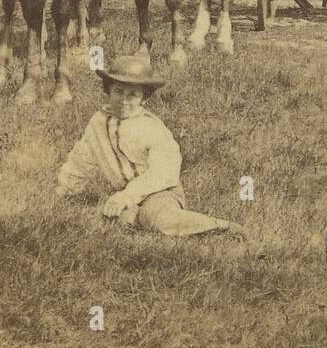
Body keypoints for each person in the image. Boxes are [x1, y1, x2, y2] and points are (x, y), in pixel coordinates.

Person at [55, 55, 238, 236]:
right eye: (118, 91)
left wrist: (126, 197)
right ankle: (135, 217)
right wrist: (65, 189)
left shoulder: (151, 127)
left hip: (160, 190)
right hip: (126, 192)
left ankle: (221, 227)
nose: (124, 100)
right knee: (117, 219)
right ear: (108, 90)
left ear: (144, 98)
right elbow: (82, 158)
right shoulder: (98, 122)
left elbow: (163, 174)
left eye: (132, 95)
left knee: (155, 216)